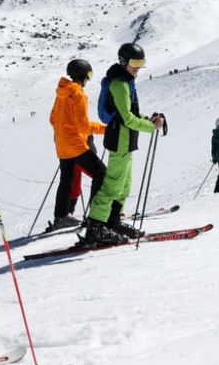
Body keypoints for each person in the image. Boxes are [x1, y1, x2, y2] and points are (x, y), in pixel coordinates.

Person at [85, 42, 165, 246]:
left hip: (127, 140)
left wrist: (150, 119)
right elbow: (127, 118)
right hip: (119, 139)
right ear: (123, 61)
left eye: (141, 62)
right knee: (112, 186)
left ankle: (112, 222)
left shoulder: (128, 81)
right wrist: (151, 127)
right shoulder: (119, 84)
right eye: (134, 62)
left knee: (125, 186)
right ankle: (95, 229)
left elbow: (133, 114)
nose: (138, 67)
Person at [47, 58, 107, 230]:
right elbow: (84, 125)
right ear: (82, 75)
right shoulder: (78, 94)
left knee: (66, 179)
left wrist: (65, 129)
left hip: (61, 144)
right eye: (89, 74)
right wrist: (107, 130)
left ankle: (61, 217)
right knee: (101, 174)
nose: (89, 79)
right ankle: (95, 217)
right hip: (76, 145)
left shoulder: (62, 92)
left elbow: (52, 118)